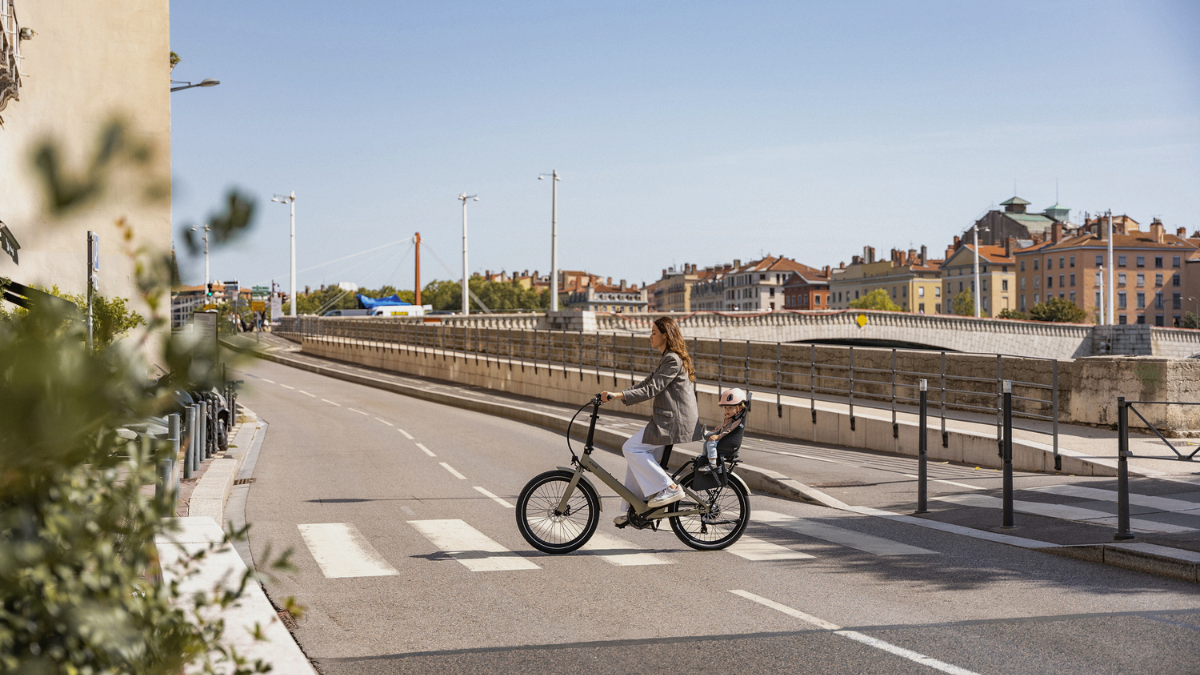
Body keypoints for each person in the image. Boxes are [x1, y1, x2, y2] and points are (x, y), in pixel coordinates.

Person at [600, 316, 702, 527]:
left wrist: (618, 396)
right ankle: (635, 511)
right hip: (668, 420)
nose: (650, 337)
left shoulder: (672, 359)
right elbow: (648, 382)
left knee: (631, 448)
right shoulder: (668, 357)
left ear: (665, 334)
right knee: (638, 460)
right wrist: (617, 393)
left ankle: (670, 488)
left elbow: (652, 389)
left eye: (654, 332)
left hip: (673, 422)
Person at [701, 388, 747, 473]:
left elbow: (729, 431)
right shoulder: (731, 418)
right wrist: (715, 431)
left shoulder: (737, 421)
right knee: (707, 442)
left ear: (739, 408)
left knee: (711, 444)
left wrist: (718, 436)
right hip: (724, 439)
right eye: (725, 407)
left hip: (727, 442)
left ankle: (712, 464)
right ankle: (703, 458)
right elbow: (723, 427)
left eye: (730, 407)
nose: (726, 410)